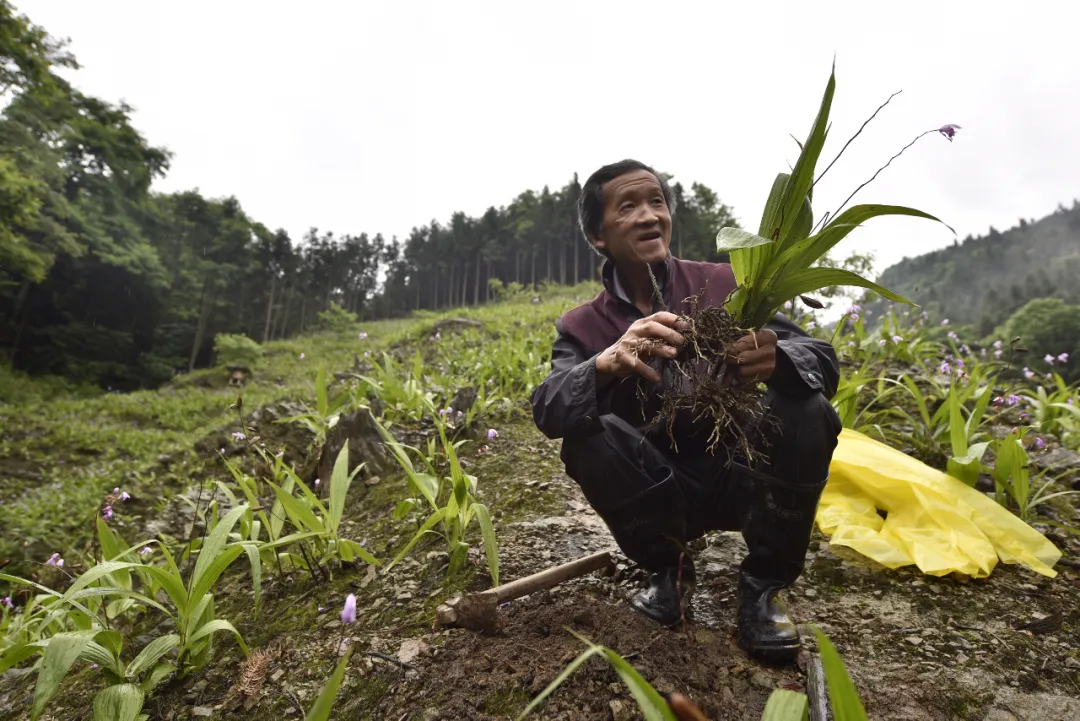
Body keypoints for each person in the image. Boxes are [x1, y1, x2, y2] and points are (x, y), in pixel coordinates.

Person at [529, 159, 842, 664]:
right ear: (597, 236)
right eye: (627, 206)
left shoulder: (725, 283)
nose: (650, 215)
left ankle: (762, 588)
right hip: (658, 486)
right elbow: (548, 408)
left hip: (745, 472)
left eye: (657, 202)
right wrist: (605, 363)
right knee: (586, 435)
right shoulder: (582, 325)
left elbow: (822, 360)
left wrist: (781, 357)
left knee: (808, 409)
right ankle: (668, 572)